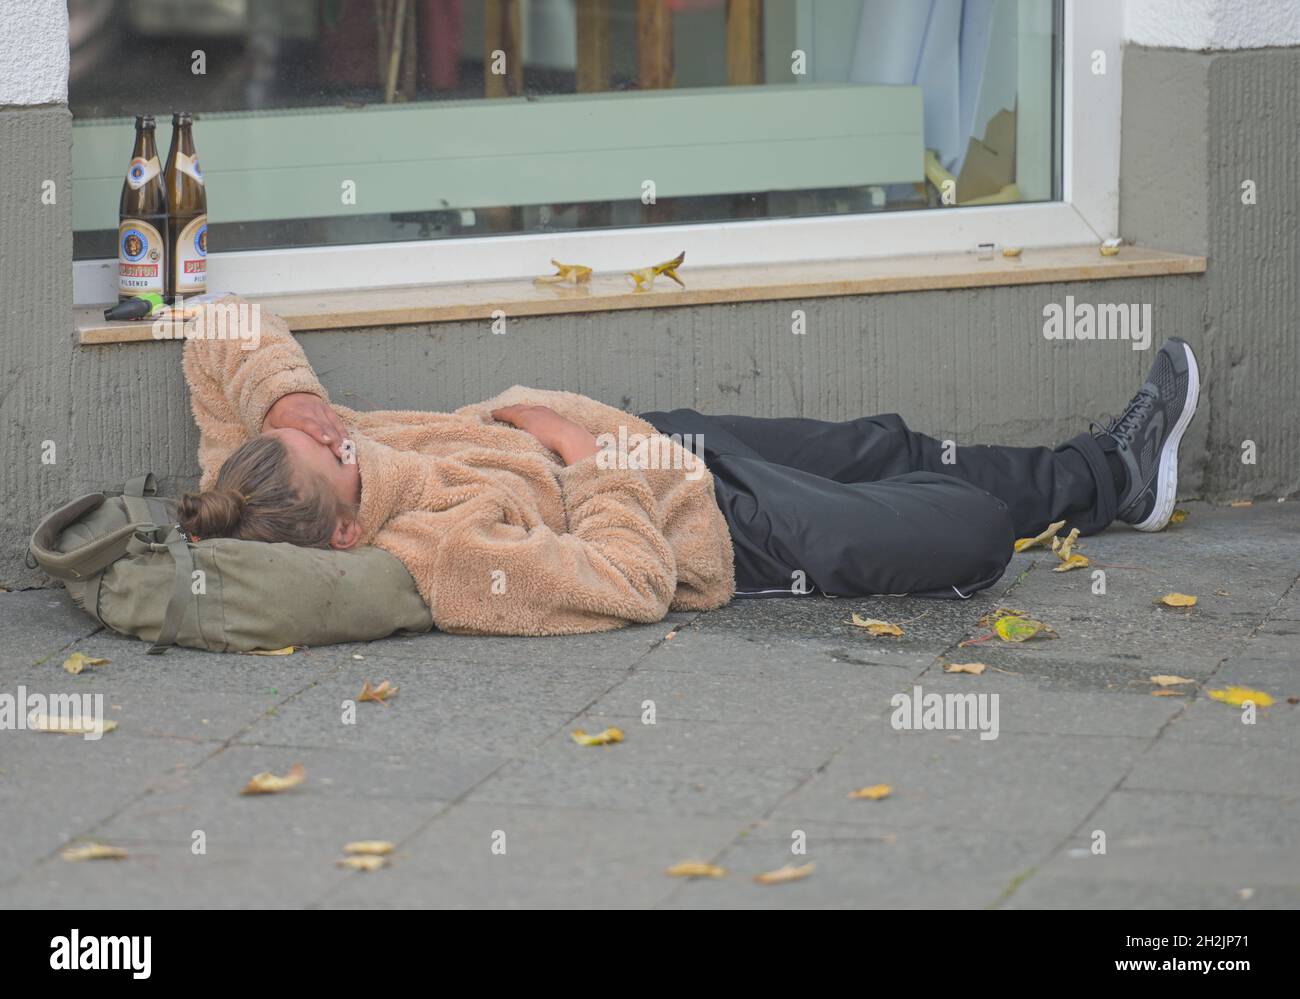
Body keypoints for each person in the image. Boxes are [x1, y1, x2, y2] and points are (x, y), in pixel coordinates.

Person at [179, 295, 1198, 635]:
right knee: (958, 528)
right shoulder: (436, 557)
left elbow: (217, 325)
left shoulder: (267, 466)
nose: (341, 433)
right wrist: (587, 459)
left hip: (661, 437)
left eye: (322, 428)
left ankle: (1112, 476)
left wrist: (285, 397)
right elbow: (627, 585)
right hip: (719, 532)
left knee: (879, 443)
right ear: (346, 534)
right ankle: (1083, 488)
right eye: (332, 452)